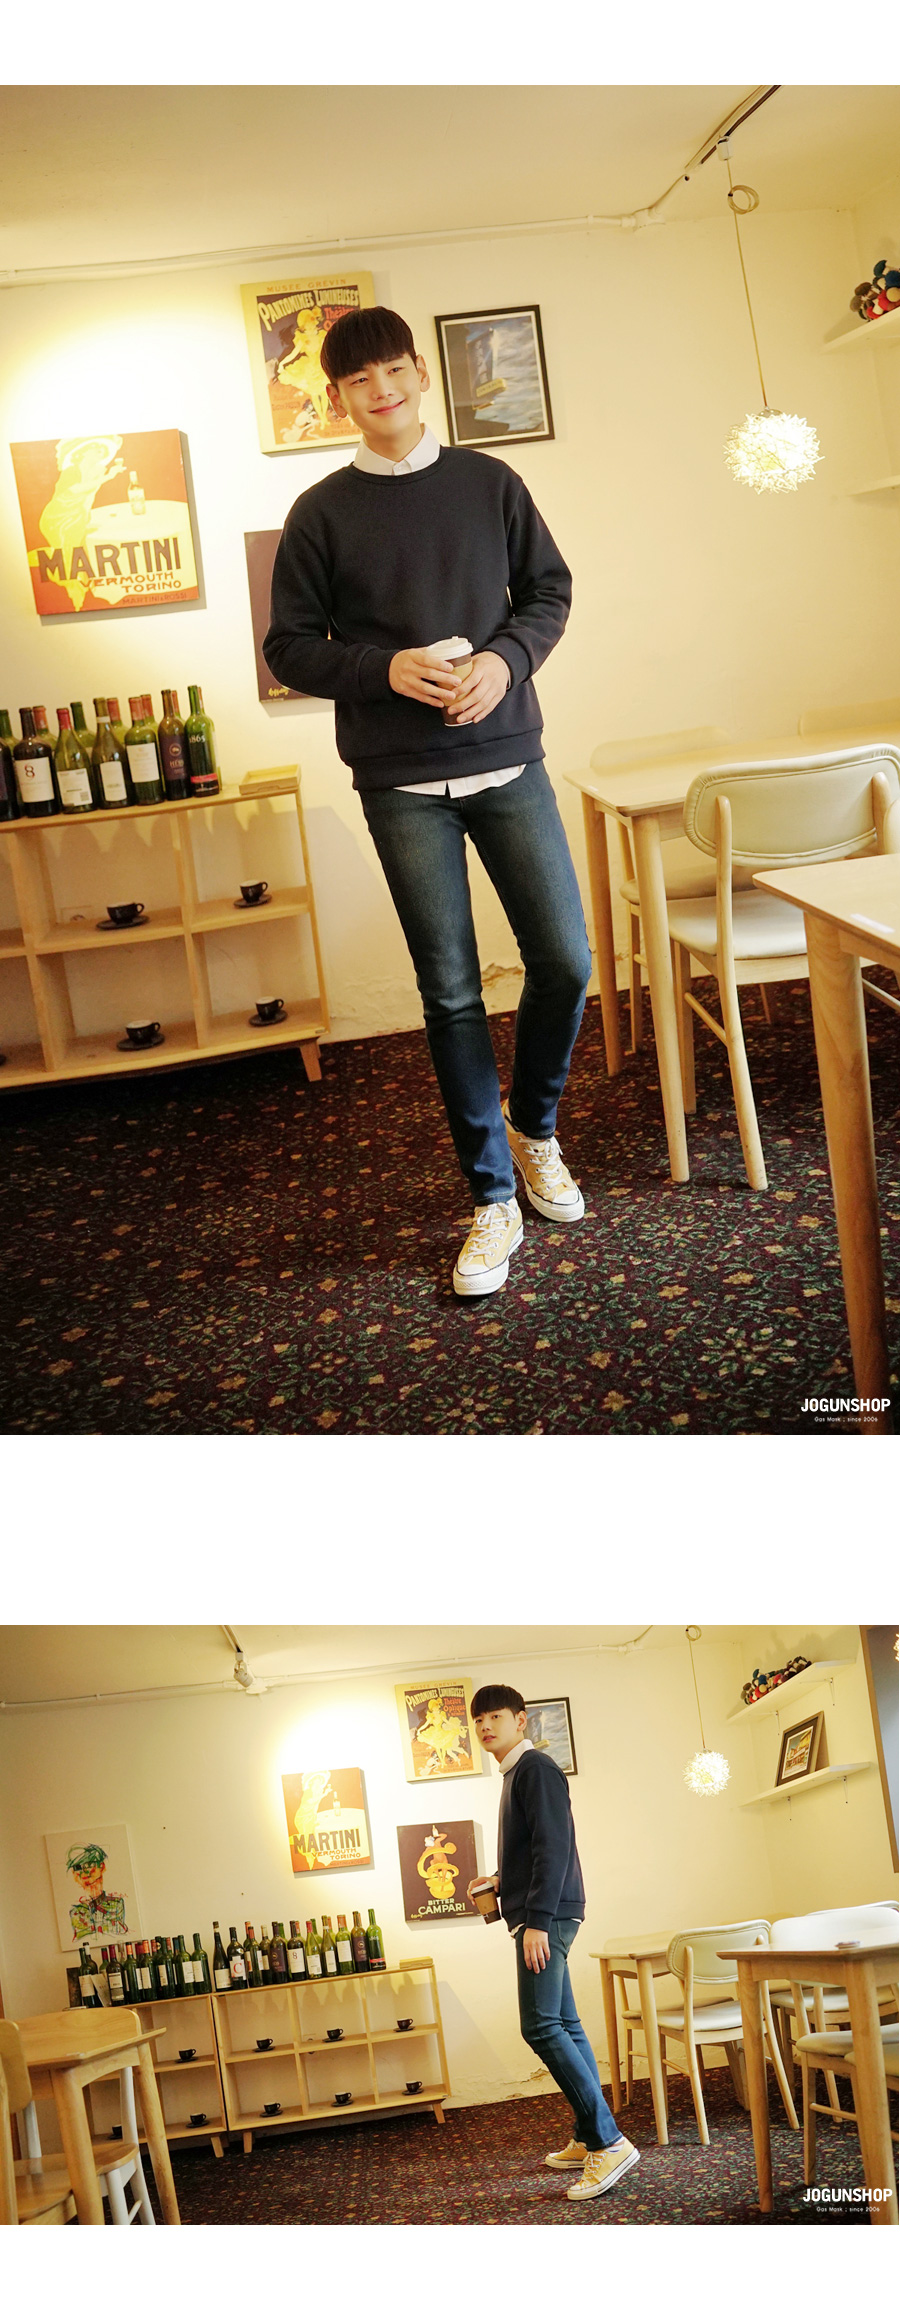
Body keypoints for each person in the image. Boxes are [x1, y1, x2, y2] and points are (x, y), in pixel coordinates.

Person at [263, 306, 592, 1299]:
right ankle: (491, 1196)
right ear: (338, 400)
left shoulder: (491, 483)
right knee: (449, 991)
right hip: (400, 781)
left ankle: (534, 1129)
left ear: (420, 374)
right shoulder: (319, 512)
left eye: (395, 371)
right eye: (360, 381)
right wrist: (384, 668)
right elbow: (289, 646)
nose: (383, 391)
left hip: (507, 759)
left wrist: (505, 660)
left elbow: (548, 593)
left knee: (566, 961)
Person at [467, 1683, 639, 2202]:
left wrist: (537, 1920)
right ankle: (590, 2135)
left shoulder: (536, 1768)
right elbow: (533, 1849)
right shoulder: (516, 1773)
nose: (485, 1726)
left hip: (549, 1917)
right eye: (478, 1720)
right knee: (563, 2023)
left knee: (540, 2026)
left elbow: (555, 1845)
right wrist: (502, 1880)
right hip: (546, 1911)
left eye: (495, 1716)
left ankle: (609, 2142)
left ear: (521, 1720)